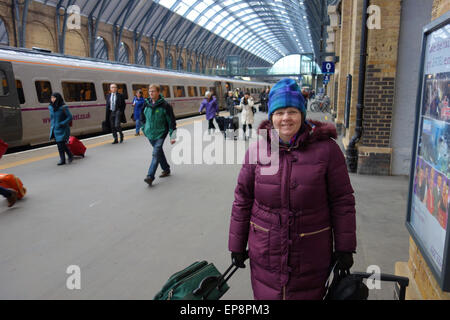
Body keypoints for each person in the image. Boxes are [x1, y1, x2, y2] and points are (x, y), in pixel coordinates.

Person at [228, 78, 356, 300]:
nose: (285, 118)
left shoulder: (327, 151)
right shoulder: (257, 151)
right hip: (266, 252)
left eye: (292, 111)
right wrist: (236, 245)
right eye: (279, 112)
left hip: (311, 252)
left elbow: (342, 200)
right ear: (271, 117)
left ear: (302, 114)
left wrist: (345, 246)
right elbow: (243, 199)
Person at [141, 84, 177, 186]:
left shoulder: (165, 105)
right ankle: (166, 169)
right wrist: (143, 128)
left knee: (155, 153)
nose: (151, 93)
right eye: (149, 91)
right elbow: (141, 116)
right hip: (150, 133)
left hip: (161, 133)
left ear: (158, 92)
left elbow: (171, 121)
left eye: (153, 91)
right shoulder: (146, 103)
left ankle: (150, 176)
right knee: (159, 152)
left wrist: (172, 136)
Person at [49, 92, 73, 166]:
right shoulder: (50, 107)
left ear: (58, 98)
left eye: (54, 98)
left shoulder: (63, 107)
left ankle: (62, 160)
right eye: (51, 98)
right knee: (61, 144)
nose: (52, 99)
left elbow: (70, 117)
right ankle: (70, 155)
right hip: (55, 128)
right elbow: (52, 118)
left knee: (60, 144)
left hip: (63, 128)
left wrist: (63, 123)